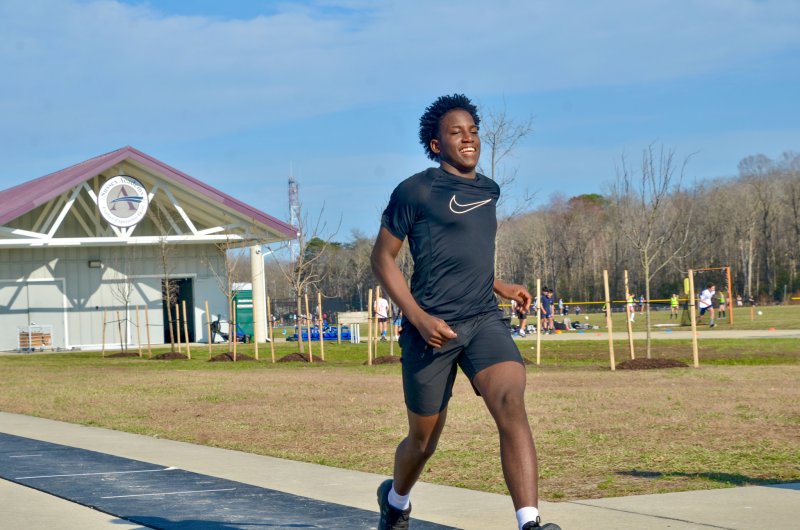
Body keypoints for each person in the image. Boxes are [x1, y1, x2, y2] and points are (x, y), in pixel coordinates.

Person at [370, 94, 560, 530]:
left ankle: (530, 522)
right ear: (437, 145)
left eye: (473, 131)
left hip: (483, 319)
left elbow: (465, 254)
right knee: (423, 442)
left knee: (511, 401)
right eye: (456, 132)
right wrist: (418, 318)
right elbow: (382, 258)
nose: (468, 138)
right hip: (431, 330)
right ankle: (395, 500)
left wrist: (499, 285)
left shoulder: (489, 190)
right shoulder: (416, 191)